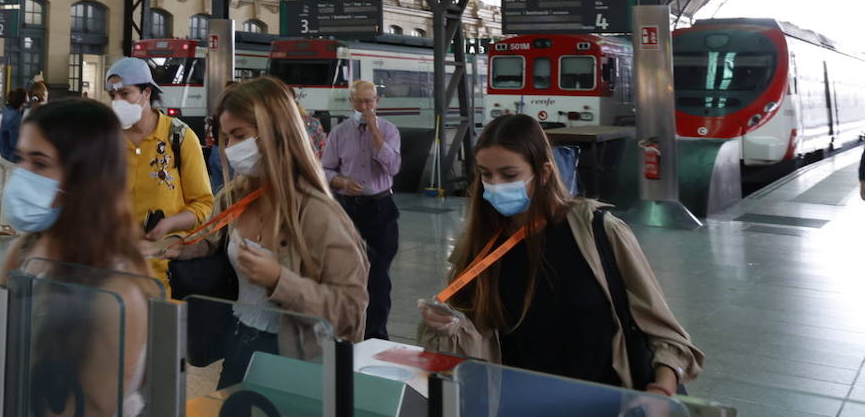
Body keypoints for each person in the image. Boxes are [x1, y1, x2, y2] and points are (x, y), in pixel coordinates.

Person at [417, 114, 702, 394]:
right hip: (522, 402)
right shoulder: (481, 245)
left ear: (543, 172)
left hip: (606, 401)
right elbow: (472, 347)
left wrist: (662, 390)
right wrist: (445, 326)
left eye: (509, 174)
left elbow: (666, 335)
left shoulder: (598, 231)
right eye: (485, 174)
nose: (495, 185)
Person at [0, 99, 152, 416]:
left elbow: (92, 409)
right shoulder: (26, 251)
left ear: (87, 178)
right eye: (21, 158)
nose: (21, 174)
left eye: (39, 163)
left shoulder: (118, 291)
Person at [165, 76, 369, 389]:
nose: (232, 148)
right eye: (226, 138)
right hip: (239, 345)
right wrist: (187, 248)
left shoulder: (317, 213)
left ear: (275, 133)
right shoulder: (233, 197)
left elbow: (351, 311)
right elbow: (213, 240)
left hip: (298, 360)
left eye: (239, 136)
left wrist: (279, 280)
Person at [105, 56, 213, 288]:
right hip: (111, 272)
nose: (117, 102)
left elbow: (203, 205)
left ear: (146, 93)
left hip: (162, 274)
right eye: (112, 96)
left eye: (125, 94)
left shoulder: (179, 137)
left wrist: (169, 225)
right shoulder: (105, 140)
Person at [321, 80, 401, 340]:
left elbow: (393, 167)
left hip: (381, 208)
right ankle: (345, 330)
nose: (365, 107)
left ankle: (376, 335)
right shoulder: (339, 133)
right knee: (345, 270)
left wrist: (375, 132)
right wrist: (340, 181)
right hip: (348, 209)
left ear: (377, 102)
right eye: (359, 102)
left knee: (378, 275)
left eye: (369, 101)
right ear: (351, 102)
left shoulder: (389, 131)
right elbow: (325, 169)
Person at [0, 86, 27, 237]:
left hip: (0, 153)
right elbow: (15, 143)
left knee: (1, 190)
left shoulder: (7, 109)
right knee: (8, 192)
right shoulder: (14, 119)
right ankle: (5, 226)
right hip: (10, 158)